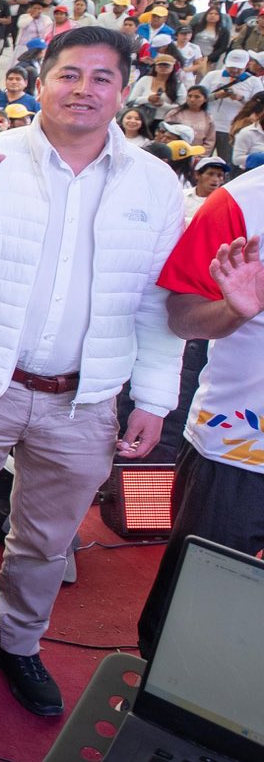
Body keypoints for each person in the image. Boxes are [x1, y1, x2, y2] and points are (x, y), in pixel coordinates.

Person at [0, 27, 183, 716]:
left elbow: (159, 301)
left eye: (101, 78)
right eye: (70, 74)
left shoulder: (154, 182)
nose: (84, 89)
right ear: (42, 80)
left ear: (126, 91)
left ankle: (17, 642)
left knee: (48, 541)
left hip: (84, 401)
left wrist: (156, 400)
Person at [137, 167, 264, 660]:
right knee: (189, 609)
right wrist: (234, 311)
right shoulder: (240, 201)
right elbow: (182, 316)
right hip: (239, 448)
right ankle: (155, 712)